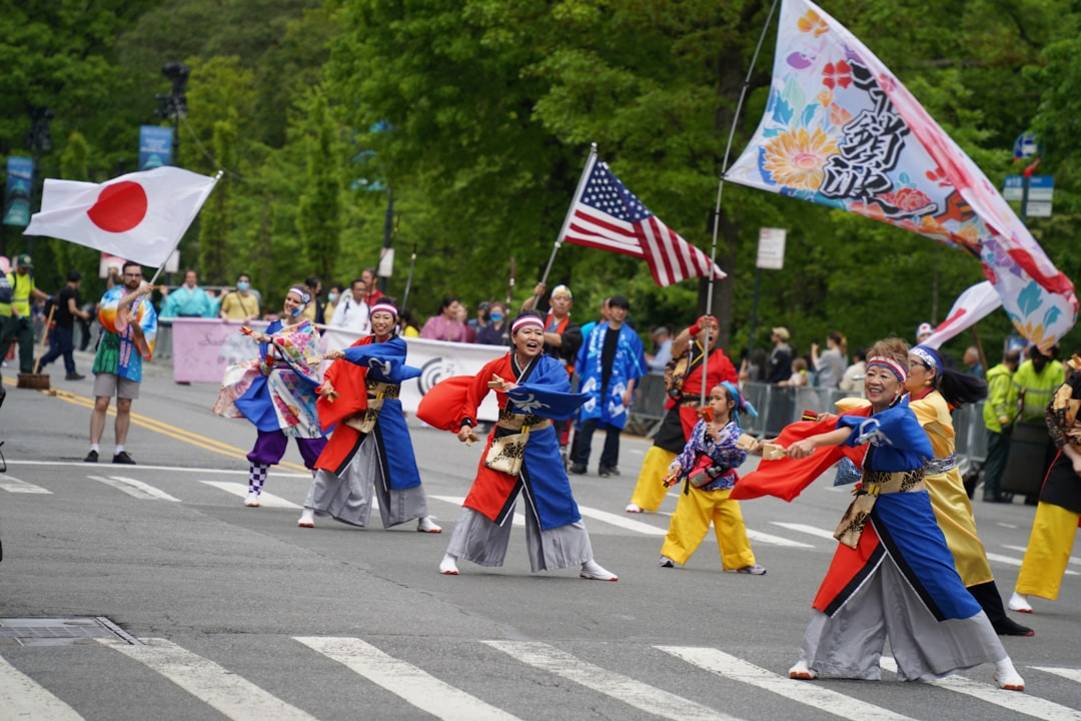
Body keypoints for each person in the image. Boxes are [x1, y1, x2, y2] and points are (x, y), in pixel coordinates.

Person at [732, 338, 1025, 691]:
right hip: (868, 506)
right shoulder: (872, 411)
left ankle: (1003, 664)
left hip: (909, 511)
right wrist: (779, 444)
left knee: (945, 584)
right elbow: (844, 423)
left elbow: (855, 431)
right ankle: (809, 657)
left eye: (883, 374)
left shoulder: (903, 416)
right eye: (870, 372)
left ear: (902, 383)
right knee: (839, 579)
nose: (873, 380)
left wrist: (817, 440)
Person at [418, 311, 617, 581]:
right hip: (507, 437)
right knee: (484, 496)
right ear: (514, 337)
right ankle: (451, 554)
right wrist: (466, 422)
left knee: (559, 498)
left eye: (538, 333)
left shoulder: (552, 367)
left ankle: (586, 562)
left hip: (540, 438)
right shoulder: (496, 366)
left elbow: (554, 392)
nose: (534, 337)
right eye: (527, 332)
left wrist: (514, 389)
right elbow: (472, 394)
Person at [904, 344, 1032, 637]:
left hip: (940, 487)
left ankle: (994, 615)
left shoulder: (928, 403)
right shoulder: (909, 398)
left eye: (911, 363)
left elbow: (890, 419)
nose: (905, 368)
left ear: (929, 375)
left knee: (966, 550)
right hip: (912, 484)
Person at [299, 301, 440, 532]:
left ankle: (421, 516)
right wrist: (327, 383)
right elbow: (338, 368)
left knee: (402, 462)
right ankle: (309, 508)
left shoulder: (397, 346)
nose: (381, 322)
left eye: (386, 318)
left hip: (388, 408)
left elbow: (370, 355)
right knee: (337, 457)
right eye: (377, 317)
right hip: (360, 406)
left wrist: (345, 353)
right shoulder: (361, 343)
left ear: (395, 323)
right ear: (370, 321)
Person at [213, 286, 326, 507]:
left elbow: (304, 353)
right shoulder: (274, 326)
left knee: (313, 446)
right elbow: (265, 355)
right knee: (268, 439)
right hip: (274, 389)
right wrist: (263, 362)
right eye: (288, 299)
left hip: (300, 393)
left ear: (305, 305)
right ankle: (254, 491)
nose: (290, 303)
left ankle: (321, 497)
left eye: (296, 301)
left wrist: (274, 341)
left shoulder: (308, 330)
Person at [626, 315, 737, 513]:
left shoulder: (723, 361)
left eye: (715, 328)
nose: (710, 331)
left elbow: (733, 390)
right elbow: (676, 344)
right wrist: (695, 328)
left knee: (711, 461)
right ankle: (643, 500)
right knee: (659, 453)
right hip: (682, 408)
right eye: (706, 328)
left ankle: (714, 507)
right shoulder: (686, 352)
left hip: (708, 414)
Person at [657, 382, 766, 575]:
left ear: (730, 404)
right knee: (684, 521)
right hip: (698, 484)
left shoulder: (735, 432)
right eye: (711, 398)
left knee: (733, 524)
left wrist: (719, 439)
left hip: (725, 486)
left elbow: (738, 458)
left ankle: (741, 562)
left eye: (718, 398)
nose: (712, 402)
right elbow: (690, 449)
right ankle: (671, 555)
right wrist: (679, 465)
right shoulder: (702, 425)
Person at [1009, 355, 1081, 615]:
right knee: (1050, 535)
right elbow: (1052, 415)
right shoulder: (1078, 380)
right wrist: (1075, 457)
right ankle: (1022, 591)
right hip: (1073, 465)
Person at [86, 261, 157, 464]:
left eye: (137, 275)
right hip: (109, 351)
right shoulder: (112, 294)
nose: (133, 278)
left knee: (125, 404)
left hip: (131, 356)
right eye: (130, 274)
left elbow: (147, 334)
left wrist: (135, 326)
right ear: (123, 276)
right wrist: (136, 295)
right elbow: (107, 313)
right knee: (102, 401)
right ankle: (94, 448)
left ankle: (119, 449)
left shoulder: (147, 306)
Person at [570, 295, 645, 477]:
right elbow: (583, 358)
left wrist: (629, 390)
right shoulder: (596, 332)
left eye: (623, 309)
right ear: (608, 310)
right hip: (594, 383)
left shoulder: (631, 337)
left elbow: (634, 367)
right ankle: (580, 462)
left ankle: (606, 465)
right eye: (616, 308)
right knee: (588, 422)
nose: (620, 312)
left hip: (618, 386)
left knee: (614, 426)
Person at [521, 283, 583, 459]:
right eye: (558, 298)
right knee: (527, 411)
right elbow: (524, 313)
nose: (562, 302)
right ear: (550, 301)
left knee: (554, 417)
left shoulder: (574, 327)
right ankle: (519, 449)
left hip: (559, 378)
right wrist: (535, 296)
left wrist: (535, 333)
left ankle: (551, 454)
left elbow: (561, 341)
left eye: (566, 299)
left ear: (570, 304)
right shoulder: (539, 317)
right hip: (535, 373)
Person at [982, 349, 1021, 503]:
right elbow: (998, 401)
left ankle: (994, 491)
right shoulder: (1004, 377)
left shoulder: (1001, 375)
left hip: (996, 423)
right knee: (996, 460)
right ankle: (990, 492)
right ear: (1016, 362)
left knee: (999, 459)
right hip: (998, 425)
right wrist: (1004, 421)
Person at [0, 254, 50, 375]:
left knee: (28, 340)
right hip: (11, 315)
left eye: (28, 268)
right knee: (5, 342)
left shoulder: (29, 277)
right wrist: (18, 315)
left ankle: (26, 371)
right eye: (24, 268)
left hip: (25, 315)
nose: (26, 270)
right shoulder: (11, 278)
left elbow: (33, 291)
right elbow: (8, 298)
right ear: (18, 267)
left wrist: (48, 297)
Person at [39, 270, 91, 380]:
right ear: (77, 281)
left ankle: (70, 371)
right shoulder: (70, 292)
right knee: (63, 348)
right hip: (65, 324)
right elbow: (72, 309)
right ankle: (41, 362)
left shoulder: (62, 291)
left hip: (60, 323)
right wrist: (83, 314)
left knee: (66, 349)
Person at [1013, 345, 1064, 422]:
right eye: (1035, 358)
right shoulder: (1024, 368)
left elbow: (1059, 395)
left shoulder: (1057, 369)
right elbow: (1014, 392)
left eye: (1040, 358)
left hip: (1048, 420)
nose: (1037, 361)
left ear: (1046, 359)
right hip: (1025, 419)